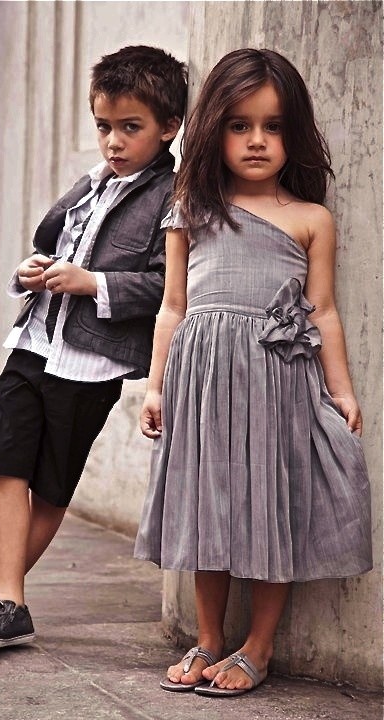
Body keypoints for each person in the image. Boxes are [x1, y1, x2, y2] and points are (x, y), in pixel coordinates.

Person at [134, 48, 372, 697]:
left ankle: (258, 646)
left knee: (274, 507)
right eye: (240, 125)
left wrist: (341, 390)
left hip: (277, 383)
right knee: (206, 507)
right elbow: (173, 306)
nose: (257, 140)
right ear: (216, 130)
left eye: (273, 126)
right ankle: (208, 638)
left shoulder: (310, 219)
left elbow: (322, 310)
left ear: (294, 134)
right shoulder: (192, 207)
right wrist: (155, 386)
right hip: (203, 383)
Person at [0, 45, 187, 654]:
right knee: (7, 464)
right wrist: (31, 271)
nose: (113, 142)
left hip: (90, 361)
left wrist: (91, 282)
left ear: (169, 127)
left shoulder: (172, 196)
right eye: (104, 126)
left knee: (50, 485)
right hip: (33, 340)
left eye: (130, 127)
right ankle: (9, 603)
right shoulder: (91, 184)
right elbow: (52, 247)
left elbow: (167, 285)